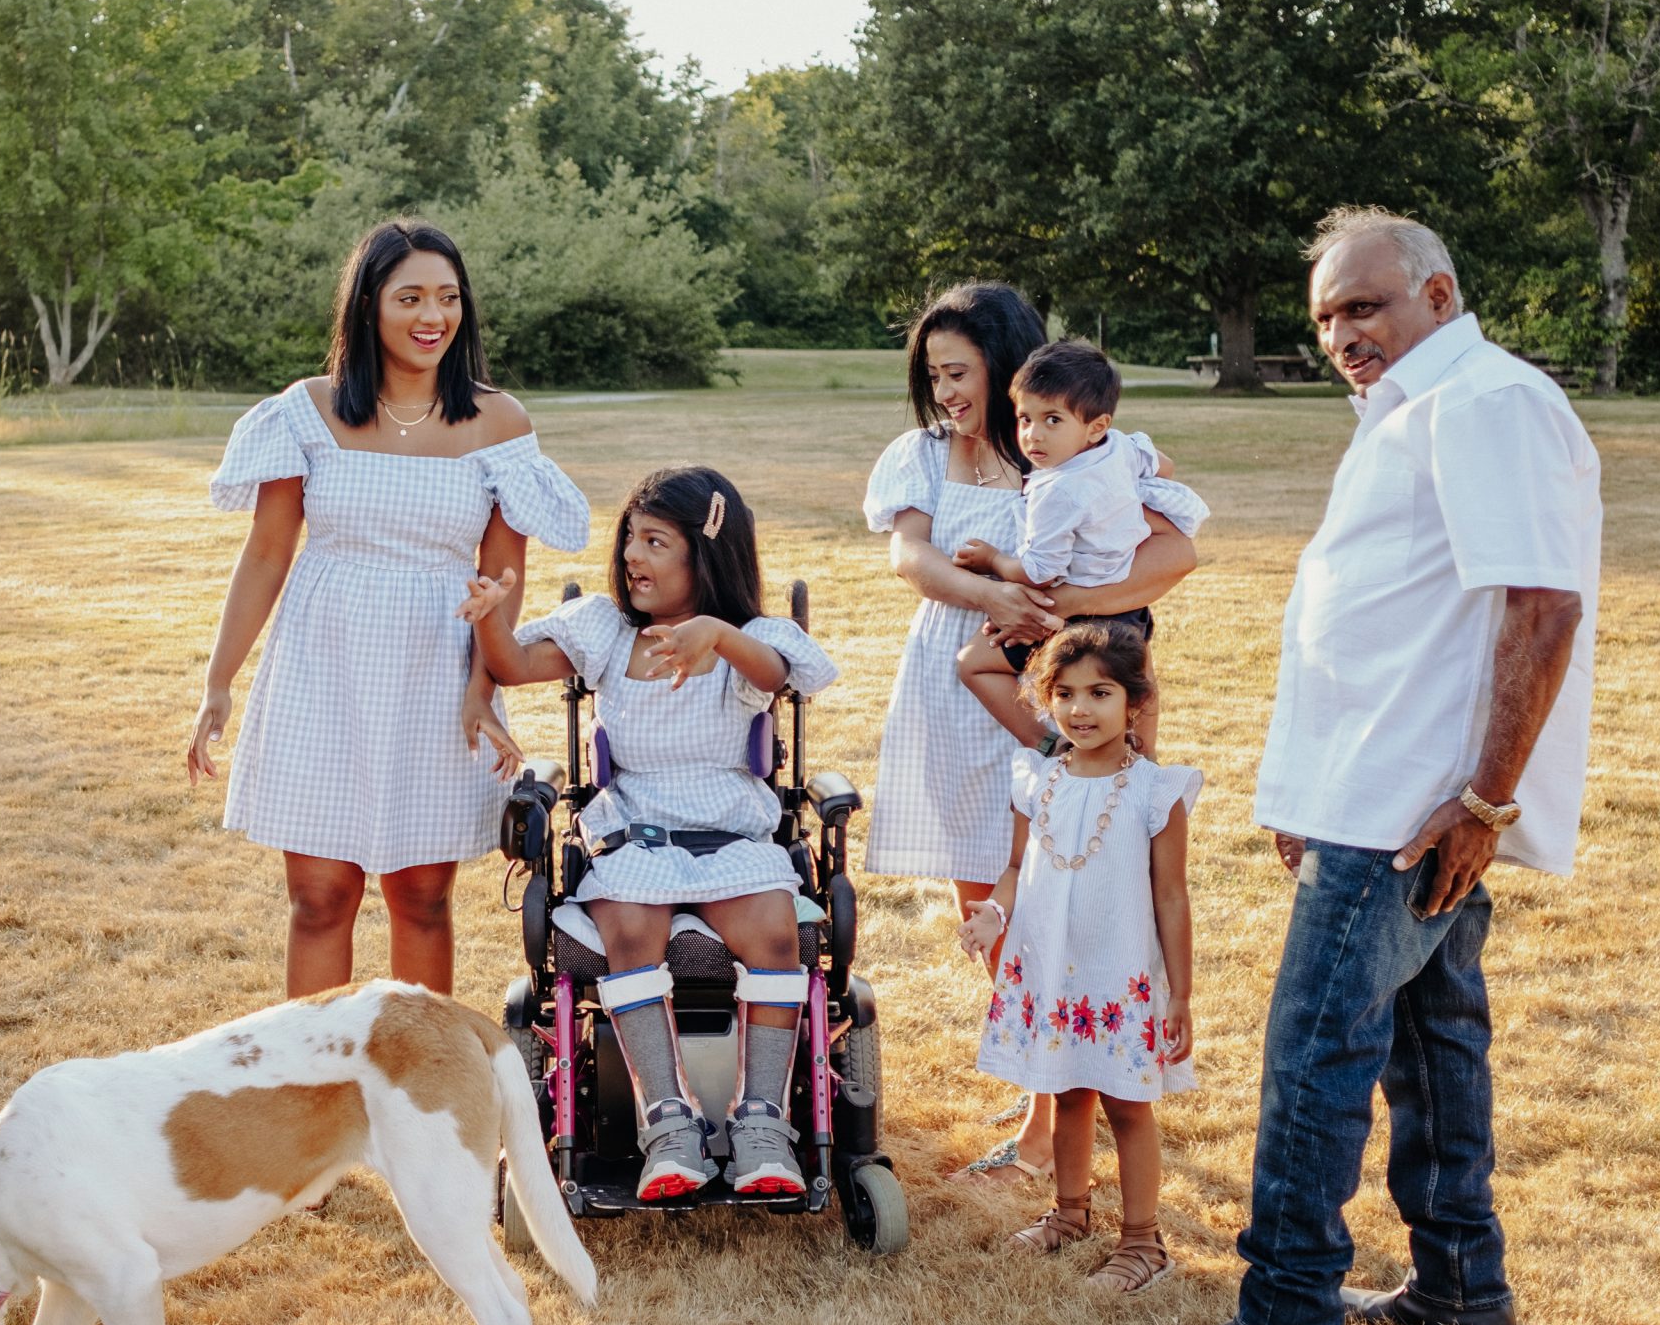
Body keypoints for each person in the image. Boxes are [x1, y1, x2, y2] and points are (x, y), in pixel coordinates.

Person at [1124, 208, 1599, 1325]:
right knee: (1432, 1048)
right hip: (1385, 792)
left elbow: (1540, 606)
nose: (1341, 333)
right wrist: (1302, 788)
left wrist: (1484, 798)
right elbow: (1386, 624)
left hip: (1413, 808)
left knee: (1315, 1056)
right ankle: (1457, 1284)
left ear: (1438, 294)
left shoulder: (1482, 403)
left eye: (1364, 306)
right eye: (1325, 316)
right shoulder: (1419, 409)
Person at [187, 220, 589, 997]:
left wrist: (482, 686)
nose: (432, 315)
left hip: (436, 671)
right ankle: (316, 1090)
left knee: (422, 897)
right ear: (370, 304)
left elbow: (501, 577)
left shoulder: (499, 422)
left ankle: (421, 1086)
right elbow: (267, 553)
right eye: (410, 297)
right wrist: (218, 682)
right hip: (320, 663)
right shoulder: (307, 411)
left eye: (447, 297)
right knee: (320, 897)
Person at [861, 283, 1198, 1184]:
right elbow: (910, 556)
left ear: (1009, 365)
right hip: (954, 678)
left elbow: (1174, 552)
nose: (945, 393)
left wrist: (1063, 608)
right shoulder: (923, 454)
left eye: (960, 372)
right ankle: (1050, 1079)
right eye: (932, 374)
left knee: (1077, 893)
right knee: (992, 900)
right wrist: (996, 597)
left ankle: (1059, 1113)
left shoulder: (1080, 449)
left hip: (1062, 694)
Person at [458, 467, 836, 1199]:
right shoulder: (604, 630)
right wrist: (488, 618)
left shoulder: (749, 641)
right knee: (627, 924)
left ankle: (761, 1124)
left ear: (706, 554)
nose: (633, 554)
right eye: (630, 536)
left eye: (656, 540)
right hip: (640, 835)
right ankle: (669, 1121)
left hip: (730, 837)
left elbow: (788, 671)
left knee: (773, 925)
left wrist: (716, 636)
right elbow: (513, 662)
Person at [959, 623, 1197, 1294]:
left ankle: (1144, 1241)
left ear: (1136, 702)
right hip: (1053, 969)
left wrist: (1179, 992)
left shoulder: (1156, 791)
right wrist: (993, 915)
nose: (1080, 708)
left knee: (1126, 1104)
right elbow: (1013, 868)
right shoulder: (1038, 779)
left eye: (1100, 691)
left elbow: (1173, 898)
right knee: (1065, 1090)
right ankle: (1069, 1213)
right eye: (1064, 692)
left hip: (1115, 974)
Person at [954, 341, 1206, 758]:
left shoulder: (1058, 490)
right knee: (1135, 688)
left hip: (1080, 622)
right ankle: (1141, 762)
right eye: (1025, 418)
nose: (1034, 434)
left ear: (1095, 426)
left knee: (973, 663)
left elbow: (1040, 571)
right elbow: (1164, 465)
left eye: (1053, 419)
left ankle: (1050, 745)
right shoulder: (1121, 446)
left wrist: (993, 559)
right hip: (1131, 610)